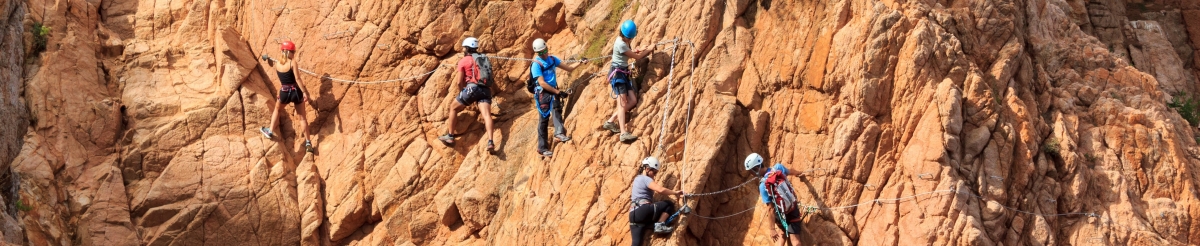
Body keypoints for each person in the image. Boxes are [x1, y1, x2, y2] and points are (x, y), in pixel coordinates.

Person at [439, 37, 497, 153]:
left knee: (453, 108)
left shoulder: (463, 61)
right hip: (485, 90)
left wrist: (462, 92)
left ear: (467, 48)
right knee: (486, 115)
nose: (463, 50)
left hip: (472, 88)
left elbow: (459, 82)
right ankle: (490, 141)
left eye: (464, 47)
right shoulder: (482, 58)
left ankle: (450, 136)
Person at [603, 20, 656, 143]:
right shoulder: (621, 44)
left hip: (623, 73)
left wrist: (640, 49)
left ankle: (610, 121)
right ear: (630, 36)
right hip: (618, 75)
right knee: (622, 103)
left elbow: (629, 53)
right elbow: (636, 57)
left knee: (632, 101)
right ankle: (623, 133)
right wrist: (649, 50)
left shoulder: (622, 40)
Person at [259, 41, 314, 153]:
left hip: (284, 92)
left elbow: (274, 63)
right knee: (302, 118)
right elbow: (297, 79)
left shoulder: (278, 63)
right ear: (288, 52)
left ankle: (269, 131)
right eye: (293, 51)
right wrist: (304, 92)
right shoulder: (292, 63)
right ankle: (308, 143)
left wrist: (267, 58)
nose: (294, 53)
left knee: (277, 110)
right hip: (296, 92)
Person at [745, 153, 807, 246]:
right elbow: (790, 171)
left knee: (783, 231)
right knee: (795, 240)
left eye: (751, 172)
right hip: (792, 209)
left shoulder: (763, 186)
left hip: (780, 215)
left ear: (756, 168)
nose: (751, 174)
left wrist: (772, 229)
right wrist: (799, 173)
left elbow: (771, 209)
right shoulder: (778, 168)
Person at [530, 38, 577, 157]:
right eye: (540, 52)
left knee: (557, 109)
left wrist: (581, 62)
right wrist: (557, 92)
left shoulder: (552, 59)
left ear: (547, 47)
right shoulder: (536, 64)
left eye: (544, 50)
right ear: (537, 53)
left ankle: (559, 133)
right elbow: (542, 82)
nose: (543, 53)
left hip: (552, 89)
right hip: (543, 93)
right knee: (544, 119)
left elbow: (569, 68)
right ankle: (542, 148)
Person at [628, 157, 685, 246]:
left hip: (633, 215)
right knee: (668, 204)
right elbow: (660, 190)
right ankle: (660, 224)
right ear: (647, 169)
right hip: (642, 210)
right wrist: (675, 192)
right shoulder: (646, 179)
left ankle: (653, 225)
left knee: (636, 244)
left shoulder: (637, 179)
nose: (654, 175)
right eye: (653, 172)